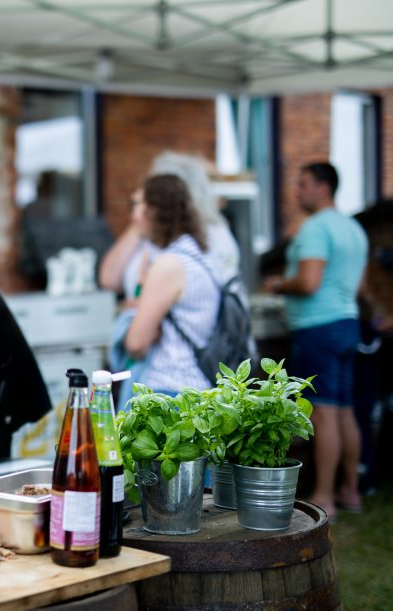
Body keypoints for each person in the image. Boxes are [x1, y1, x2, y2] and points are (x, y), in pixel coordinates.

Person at [263, 162, 368, 519]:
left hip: (318, 327)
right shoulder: (353, 228)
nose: (297, 191)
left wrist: (279, 284)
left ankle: (324, 497)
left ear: (323, 187)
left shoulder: (316, 228)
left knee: (322, 414)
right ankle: (350, 491)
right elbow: (362, 287)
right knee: (343, 410)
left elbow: (308, 282)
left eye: (303, 184)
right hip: (347, 323)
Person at [121, 174, 220, 395]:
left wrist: (132, 319)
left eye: (137, 205)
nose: (134, 216)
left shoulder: (169, 264)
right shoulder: (200, 254)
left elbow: (136, 344)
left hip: (167, 392)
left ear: (154, 210)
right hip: (197, 388)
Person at [99, 151, 240, 300]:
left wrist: (137, 305)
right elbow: (110, 280)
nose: (145, 195)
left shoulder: (204, 239)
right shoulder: (150, 233)